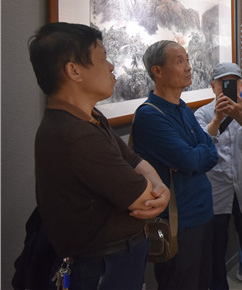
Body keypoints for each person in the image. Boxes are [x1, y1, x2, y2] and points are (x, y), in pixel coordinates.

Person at [30, 23, 170, 290]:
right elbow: (144, 197)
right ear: (74, 71)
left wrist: (159, 186)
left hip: (117, 260)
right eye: (103, 58)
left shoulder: (90, 117)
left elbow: (135, 161)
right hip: (100, 268)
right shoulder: (73, 134)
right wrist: (158, 190)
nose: (111, 66)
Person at [132, 40, 220, 290]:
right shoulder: (149, 115)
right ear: (157, 71)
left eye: (188, 60)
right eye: (180, 61)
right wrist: (195, 156)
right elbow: (190, 160)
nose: (188, 67)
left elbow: (211, 153)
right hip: (177, 221)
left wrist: (195, 156)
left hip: (203, 212)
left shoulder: (182, 108)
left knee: (202, 282)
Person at [195, 63, 242, 290]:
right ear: (213, 86)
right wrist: (217, 119)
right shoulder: (202, 114)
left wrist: (239, 115)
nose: (229, 87)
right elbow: (201, 147)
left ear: (241, 85)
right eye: (223, 83)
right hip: (216, 189)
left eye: (234, 82)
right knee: (216, 249)